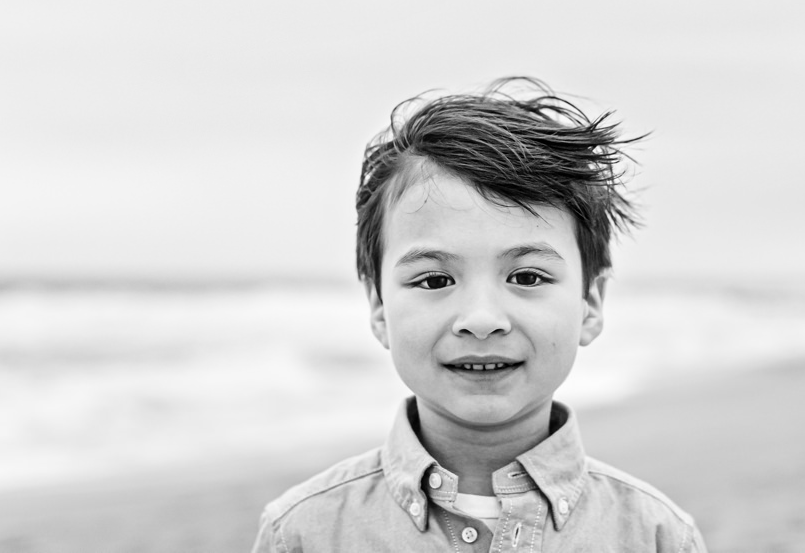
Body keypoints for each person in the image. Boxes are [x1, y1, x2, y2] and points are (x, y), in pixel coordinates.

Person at [251, 77, 708, 552]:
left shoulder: (653, 535)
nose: (482, 318)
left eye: (527, 277)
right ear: (379, 307)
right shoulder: (306, 531)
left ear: (590, 303)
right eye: (434, 280)